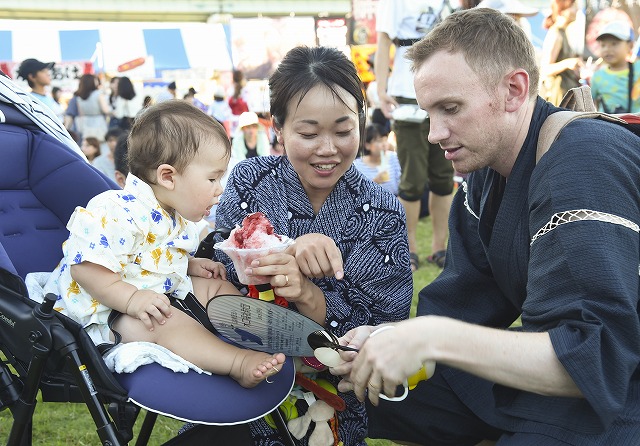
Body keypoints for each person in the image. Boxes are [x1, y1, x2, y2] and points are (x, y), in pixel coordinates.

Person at [331, 8, 640, 445]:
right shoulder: (486, 172)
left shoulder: (582, 162)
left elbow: (596, 358)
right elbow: (460, 309)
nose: (435, 133)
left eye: (451, 108)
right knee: (355, 391)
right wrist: (388, 337)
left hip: (624, 389)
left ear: (515, 89)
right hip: (567, 380)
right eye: (429, 112)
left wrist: (431, 337)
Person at [212, 46, 413, 446]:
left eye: (343, 131)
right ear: (278, 129)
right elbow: (218, 289)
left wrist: (307, 293)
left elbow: (386, 328)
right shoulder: (249, 183)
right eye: (308, 133)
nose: (327, 149)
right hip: (240, 384)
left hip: (331, 407)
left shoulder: (383, 211)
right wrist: (282, 254)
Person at [37, 100, 285, 387]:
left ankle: (264, 330)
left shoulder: (170, 212)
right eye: (212, 178)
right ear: (168, 176)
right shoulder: (116, 210)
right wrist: (131, 299)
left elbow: (149, 255)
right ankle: (236, 362)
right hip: (109, 313)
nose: (220, 189)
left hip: (157, 291)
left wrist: (189, 264)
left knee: (214, 284)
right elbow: (86, 268)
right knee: (163, 322)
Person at [375, 0, 455, 271]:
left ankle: (440, 247)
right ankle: (408, 248)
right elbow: (384, 40)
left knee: (444, 176)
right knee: (413, 178)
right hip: (406, 96)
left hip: (447, 91)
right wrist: (381, 88)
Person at [539, 0, 583, 106]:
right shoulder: (555, 33)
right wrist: (567, 63)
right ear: (561, 11)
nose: (577, 10)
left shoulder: (563, 33)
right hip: (558, 97)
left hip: (565, 95)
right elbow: (545, 69)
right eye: (573, 6)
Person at [590, 21, 640, 113]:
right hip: (609, 126)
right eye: (603, 45)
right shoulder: (598, 77)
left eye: (614, 44)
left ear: (630, 45)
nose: (607, 49)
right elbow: (589, 103)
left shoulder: (638, 68)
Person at [353, 123, 401, 196]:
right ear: (367, 145)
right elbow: (356, 193)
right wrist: (375, 182)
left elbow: (401, 185)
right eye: (379, 141)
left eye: (385, 140)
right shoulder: (357, 165)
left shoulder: (394, 158)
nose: (384, 144)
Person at [65, 73, 110, 143]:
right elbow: (106, 110)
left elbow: (71, 114)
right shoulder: (98, 94)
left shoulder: (78, 97)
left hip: (83, 126)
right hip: (99, 126)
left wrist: (66, 129)